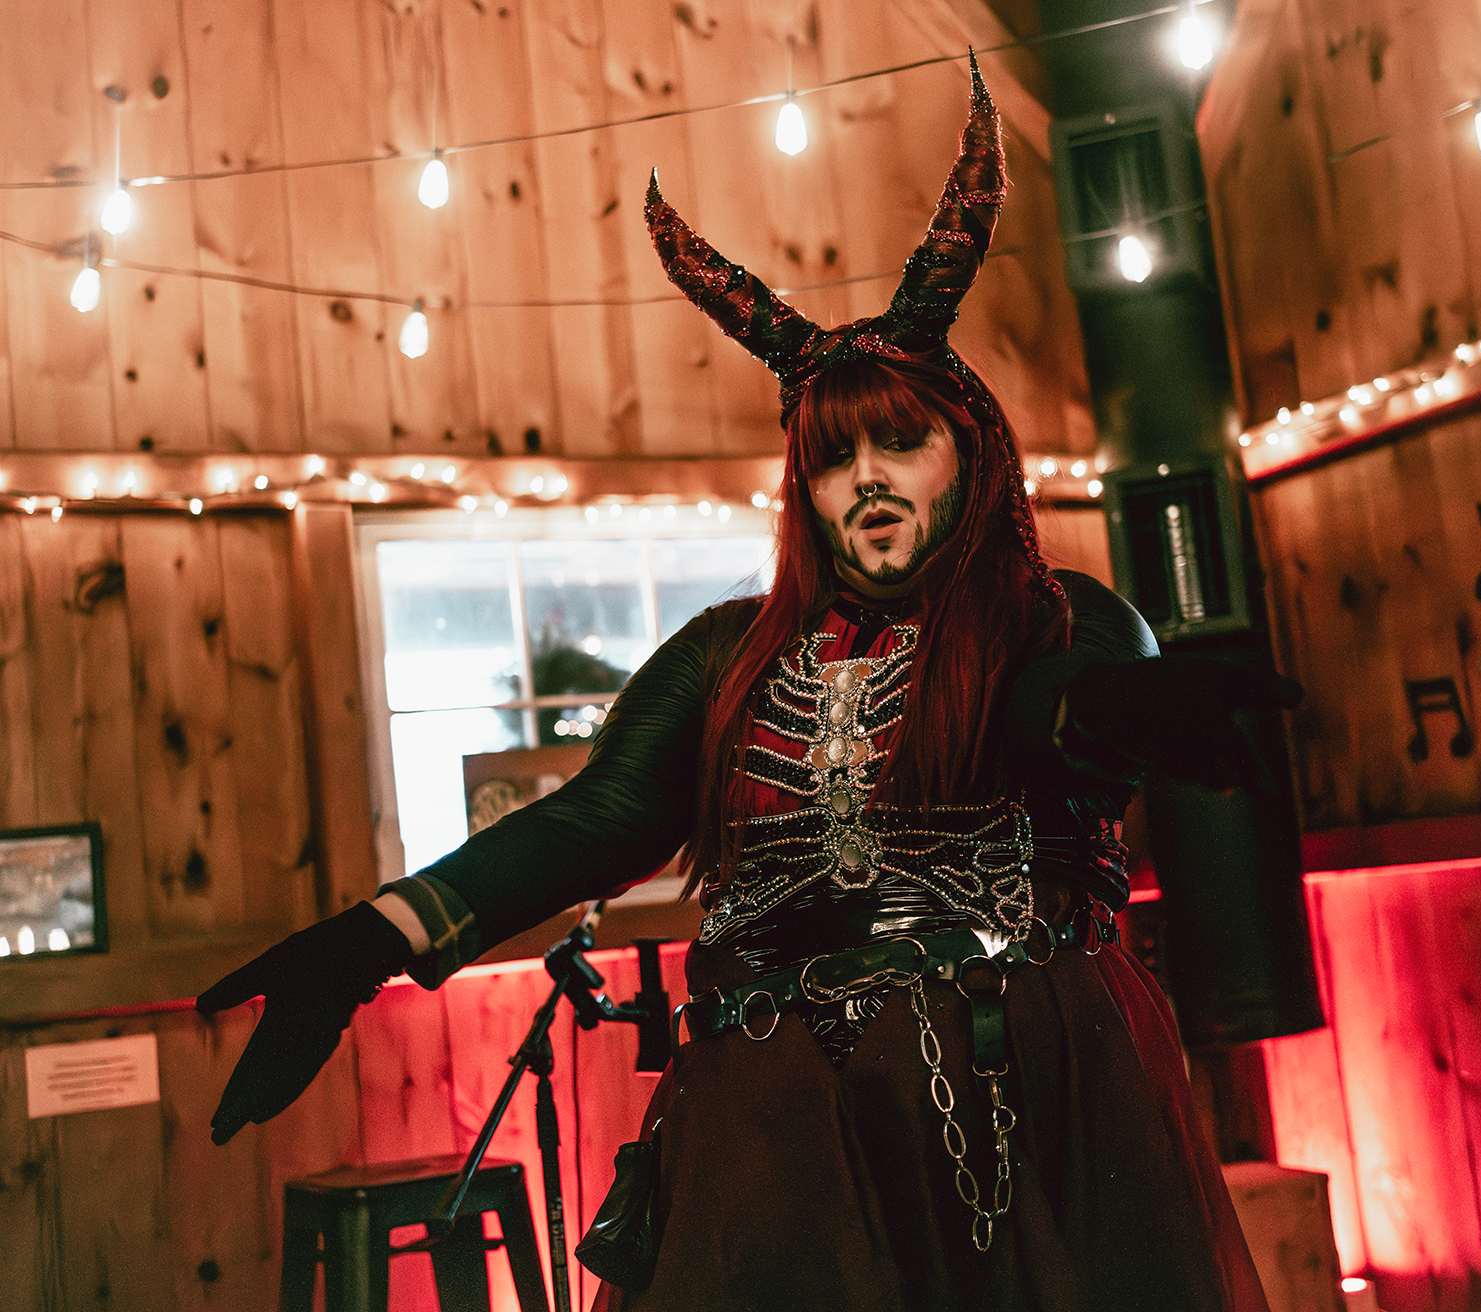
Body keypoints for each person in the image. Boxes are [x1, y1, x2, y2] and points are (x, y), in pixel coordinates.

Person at [199, 59, 1290, 1312]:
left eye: (900, 441)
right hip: (780, 1135)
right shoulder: (730, 655)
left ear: (968, 453)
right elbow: (594, 819)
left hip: (1023, 1103)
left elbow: (1049, 711)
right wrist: (369, 942)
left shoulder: (1060, 618)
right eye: (833, 458)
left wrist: (1106, 708)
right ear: (803, 488)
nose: (867, 479)